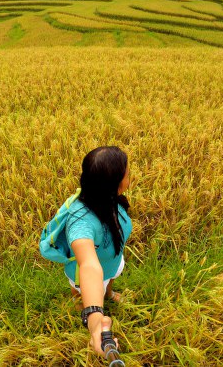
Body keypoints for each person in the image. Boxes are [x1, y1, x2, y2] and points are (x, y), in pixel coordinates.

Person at [64, 146, 132, 356]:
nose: (131, 177)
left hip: (111, 263)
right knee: (80, 291)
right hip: (86, 277)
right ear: (114, 184)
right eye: (128, 174)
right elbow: (89, 266)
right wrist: (95, 322)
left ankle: (109, 293)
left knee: (110, 278)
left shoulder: (106, 198)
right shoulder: (80, 223)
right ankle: (79, 302)